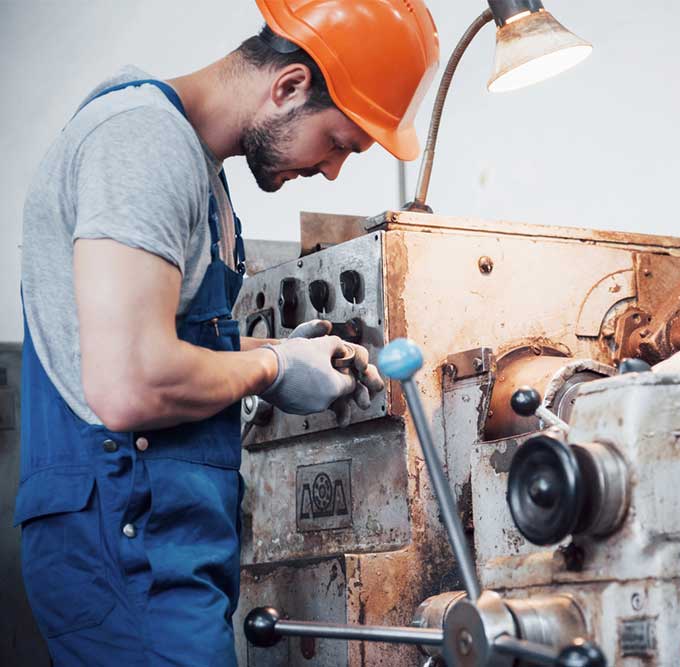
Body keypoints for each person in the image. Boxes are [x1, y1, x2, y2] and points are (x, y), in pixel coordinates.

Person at [15, 1, 439, 665]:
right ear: (290, 86)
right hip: (127, 534)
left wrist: (288, 357)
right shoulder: (143, 145)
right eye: (337, 142)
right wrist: (271, 364)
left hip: (164, 539)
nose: (332, 170)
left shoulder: (200, 174)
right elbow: (129, 385)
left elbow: (162, 348)